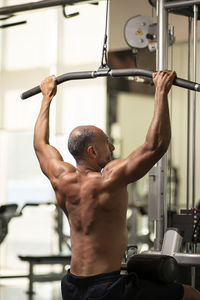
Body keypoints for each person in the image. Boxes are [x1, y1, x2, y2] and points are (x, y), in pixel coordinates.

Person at [34, 70, 200, 300]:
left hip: (72, 285)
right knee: (191, 294)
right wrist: (161, 91)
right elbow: (156, 146)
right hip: (107, 287)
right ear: (92, 151)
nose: (111, 148)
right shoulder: (107, 179)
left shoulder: (60, 177)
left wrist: (46, 97)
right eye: (107, 143)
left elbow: (40, 145)